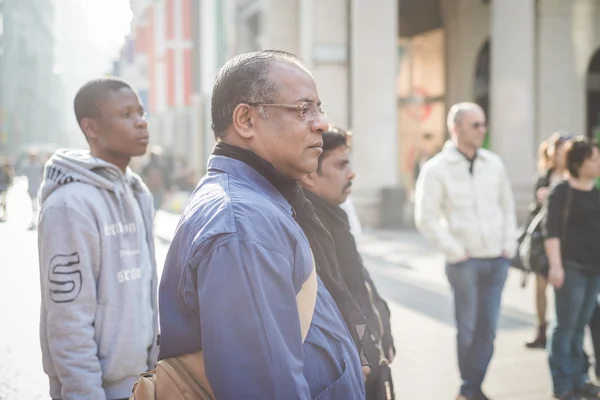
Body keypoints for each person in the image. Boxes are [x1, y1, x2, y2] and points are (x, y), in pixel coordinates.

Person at [158, 50, 367, 399]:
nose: (321, 124)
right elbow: (264, 388)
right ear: (246, 120)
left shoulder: (262, 201)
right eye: (303, 109)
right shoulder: (243, 226)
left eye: (319, 108)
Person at [37, 78, 159, 400]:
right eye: (126, 114)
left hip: (143, 385)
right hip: (96, 390)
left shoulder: (137, 192)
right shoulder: (70, 205)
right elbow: (67, 320)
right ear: (90, 128)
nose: (141, 121)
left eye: (141, 112)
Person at [414, 102, 517, 400]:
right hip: (464, 263)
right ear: (456, 127)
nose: (482, 129)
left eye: (483, 124)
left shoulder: (494, 164)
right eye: (476, 125)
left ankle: (471, 388)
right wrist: (455, 251)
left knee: (489, 330)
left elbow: (508, 208)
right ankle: (470, 387)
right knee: (468, 329)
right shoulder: (436, 168)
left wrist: (508, 247)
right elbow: (426, 217)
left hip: (497, 260)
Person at [299, 125, 395, 399]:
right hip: (356, 366)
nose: (351, 173)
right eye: (340, 165)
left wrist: (382, 333)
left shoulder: (334, 215)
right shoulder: (314, 225)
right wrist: (364, 353)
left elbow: (359, 285)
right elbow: (341, 300)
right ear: (309, 176)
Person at [544, 136, 600, 400]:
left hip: (593, 269)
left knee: (580, 327)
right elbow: (551, 231)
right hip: (570, 268)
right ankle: (562, 384)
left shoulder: (596, 192)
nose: (598, 163)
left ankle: (580, 379)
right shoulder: (561, 191)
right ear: (578, 163)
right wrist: (555, 267)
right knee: (564, 328)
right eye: (594, 159)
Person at [524, 133, 570, 349]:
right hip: (543, 240)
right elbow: (534, 212)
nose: (560, 156)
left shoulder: (574, 177)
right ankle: (541, 329)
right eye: (557, 151)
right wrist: (542, 200)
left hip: (568, 242)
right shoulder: (543, 179)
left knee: (567, 289)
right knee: (540, 286)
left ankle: (566, 335)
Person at [22, 150, 45, 230]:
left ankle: (37, 220)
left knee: (37, 205)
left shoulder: (38, 166)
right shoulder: (28, 165)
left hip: (38, 188)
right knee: (34, 205)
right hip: (31, 188)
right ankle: (35, 220)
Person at [0, 157, 14, 221]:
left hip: (4, 188)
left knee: (3, 202)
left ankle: (4, 214)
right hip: (1, 188)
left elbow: (10, 179)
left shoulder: (7, 171)